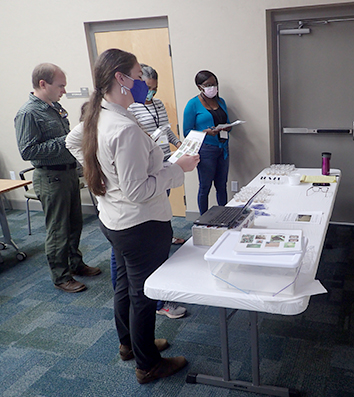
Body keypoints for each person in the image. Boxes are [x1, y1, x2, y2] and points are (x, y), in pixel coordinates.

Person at [79, 48, 199, 384]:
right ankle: (147, 364)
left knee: (125, 287)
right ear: (121, 78)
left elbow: (75, 145)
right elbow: (138, 189)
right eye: (137, 75)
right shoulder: (123, 127)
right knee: (143, 295)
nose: (144, 82)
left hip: (115, 220)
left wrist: (107, 181)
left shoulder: (99, 113)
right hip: (139, 224)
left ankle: (130, 344)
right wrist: (178, 168)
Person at [14, 63, 101, 293]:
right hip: (51, 178)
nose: (64, 90)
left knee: (74, 224)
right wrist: (67, 141)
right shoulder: (28, 113)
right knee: (58, 229)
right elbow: (28, 151)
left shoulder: (55, 107)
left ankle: (76, 264)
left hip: (68, 173)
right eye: (60, 86)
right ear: (43, 84)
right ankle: (61, 277)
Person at [127, 64, 188, 320]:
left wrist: (178, 142)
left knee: (163, 202)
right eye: (148, 89)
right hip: (146, 165)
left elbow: (166, 128)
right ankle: (160, 301)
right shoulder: (130, 109)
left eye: (154, 88)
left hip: (165, 160)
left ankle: (168, 233)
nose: (151, 94)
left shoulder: (159, 104)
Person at [183, 70, 231, 215]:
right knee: (205, 186)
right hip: (206, 150)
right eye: (208, 85)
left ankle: (224, 215)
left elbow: (227, 122)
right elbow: (187, 133)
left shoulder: (221, 102)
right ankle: (203, 219)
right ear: (199, 86)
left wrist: (228, 127)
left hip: (223, 148)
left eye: (215, 84)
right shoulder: (192, 104)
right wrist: (206, 132)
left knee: (222, 185)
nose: (213, 87)